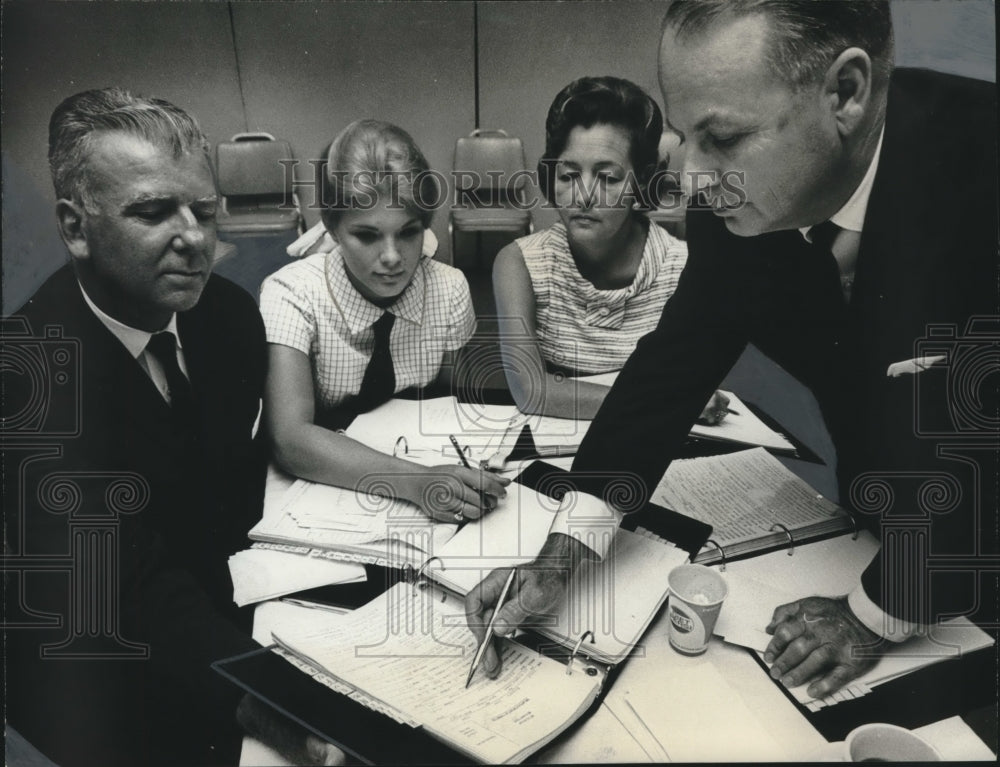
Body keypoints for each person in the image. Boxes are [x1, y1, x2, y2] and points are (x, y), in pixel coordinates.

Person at [466, 0, 997, 701]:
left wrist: (875, 613)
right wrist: (560, 558)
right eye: (684, 137)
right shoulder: (732, 197)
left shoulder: (982, 162)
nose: (689, 177)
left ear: (845, 93)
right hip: (877, 527)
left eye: (722, 136)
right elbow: (669, 371)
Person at [1, 88, 339, 767]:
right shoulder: (25, 381)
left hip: (226, 602)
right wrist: (270, 699)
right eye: (155, 212)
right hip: (106, 665)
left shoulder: (229, 314)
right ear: (75, 227)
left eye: (204, 210)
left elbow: (227, 483)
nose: (196, 239)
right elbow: (130, 585)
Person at [260, 120, 508, 522]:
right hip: (324, 486)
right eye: (368, 236)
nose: (392, 257)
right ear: (334, 229)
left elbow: (451, 403)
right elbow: (290, 439)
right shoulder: (291, 293)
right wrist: (417, 483)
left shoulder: (449, 288)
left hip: (420, 460)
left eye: (408, 233)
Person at [494, 76, 726, 423]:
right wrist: (667, 400)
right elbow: (530, 391)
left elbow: (698, 387)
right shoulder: (519, 263)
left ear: (642, 184)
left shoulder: (685, 268)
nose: (584, 195)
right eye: (568, 175)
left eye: (608, 178)